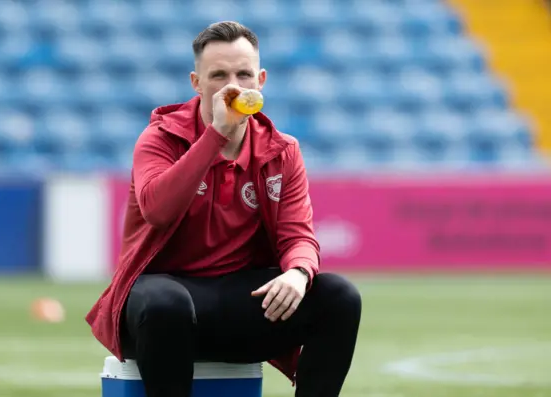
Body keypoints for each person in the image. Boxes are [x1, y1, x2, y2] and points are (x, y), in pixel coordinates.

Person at [86, 21, 362, 397]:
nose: (233, 86)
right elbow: (158, 211)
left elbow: (297, 234)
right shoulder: (160, 138)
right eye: (218, 75)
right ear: (197, 83)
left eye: (244, 74)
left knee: (338, 296)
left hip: (240, 305)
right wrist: (215, 135)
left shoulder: (282, 150)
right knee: (166, 303)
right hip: (161, 309)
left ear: (260, 80)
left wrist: (298, 273)